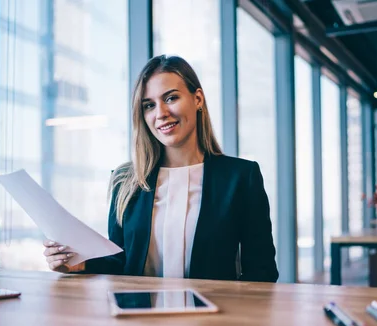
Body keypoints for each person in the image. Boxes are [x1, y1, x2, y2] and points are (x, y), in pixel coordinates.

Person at [43, 55, 278, 282]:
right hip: (139, 318)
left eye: (171, 98)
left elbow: (262, 271)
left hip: (213, 319)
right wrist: (81, 263)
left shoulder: (241, 178)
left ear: (197, 99)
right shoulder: (125, 180)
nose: (161, 114)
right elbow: (122, 263)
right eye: (149, 105)